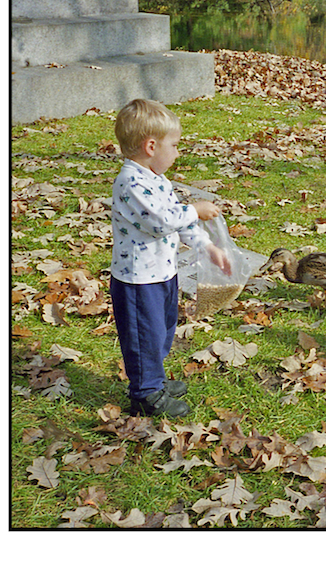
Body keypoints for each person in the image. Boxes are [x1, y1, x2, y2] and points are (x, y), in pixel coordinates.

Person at [110, 99, 231, 417]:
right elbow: (162, 220)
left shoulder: (156, 180)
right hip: (137, 280)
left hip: (162, 272)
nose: (177, 153)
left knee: (162, 328)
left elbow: (180, 223)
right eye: (174, 146)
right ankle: (145, 394)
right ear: (151, 146)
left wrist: (208, 247)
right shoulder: (131, 182)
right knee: (143, 334)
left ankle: (154, 378)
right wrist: (196, 208)